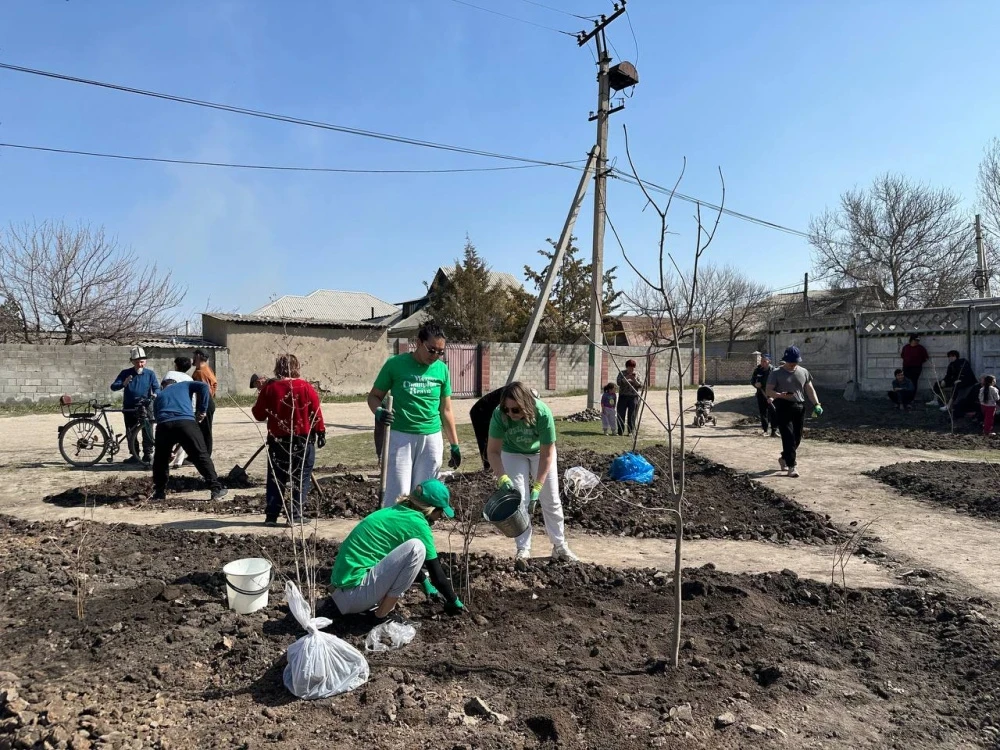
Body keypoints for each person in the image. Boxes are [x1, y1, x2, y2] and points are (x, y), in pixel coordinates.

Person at [329, 479, 463, 618]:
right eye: (441, 512)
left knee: (411, 549)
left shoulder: (397, 512)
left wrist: (424, 581)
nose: (440, 517)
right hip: (355, 596)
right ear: (431, 509)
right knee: (417, 548)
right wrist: (454, 601)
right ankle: (381, 616)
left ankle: (374, 608)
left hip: (341, 593)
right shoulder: (418, 524)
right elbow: (438, 577)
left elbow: (399, 559)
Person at [368, 321, 460, 508]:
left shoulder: (442, 370)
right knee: (398, 492)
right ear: (418, 343)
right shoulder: (395, 365)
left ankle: (418, 533)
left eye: (440, 352)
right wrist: (379, 411)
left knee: (426, 494)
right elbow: (374, 397)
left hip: (431, 438)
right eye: (431, 349)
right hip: (401, 436)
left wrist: (455, 445)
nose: (435, 356)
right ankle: (394, 533)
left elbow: (446, 410)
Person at [487, 381, 577, 563]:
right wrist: (502, 476)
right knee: (520, 499)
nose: (510, 414)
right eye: (507, 410)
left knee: (550, 499)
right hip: (512, 452)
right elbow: (493, 451)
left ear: (526, 405)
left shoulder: (542, 413)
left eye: (516, 410)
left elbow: (546, 454)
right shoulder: (499, 415)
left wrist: (538, 485)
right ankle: (523, 549)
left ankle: (559, 546)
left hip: (539, 454)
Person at [252, 354, 326, 526]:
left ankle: (271, 516)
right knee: (301, 477)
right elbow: (315, 412)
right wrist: (321, 431)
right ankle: (295, 514)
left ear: (277, 368)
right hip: (302, 440)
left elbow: (259, 414)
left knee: (276, 478)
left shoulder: (269, 389)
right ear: (296, 367)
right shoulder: (305, 387)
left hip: (278, 441)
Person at [151, 377, 227, 502]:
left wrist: (167, 449)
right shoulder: (184, 385)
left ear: (163, 386)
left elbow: (160, 420)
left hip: (164, 426)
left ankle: (159, 492)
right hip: (185, 422)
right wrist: (202, 410)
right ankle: (216, 489)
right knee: (200, 455)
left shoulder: (159, 396)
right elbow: (203, 386)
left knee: (160, 460)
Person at [765, 346, 823, 479]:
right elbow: (769, 391)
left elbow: (809, 389)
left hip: (799, 407)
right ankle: (792, 466)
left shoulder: (804, 372)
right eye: (790, 362)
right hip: (782, 406)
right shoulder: (776, 372)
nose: (793, 364)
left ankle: (784, 457)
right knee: (788, 436)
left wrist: (817, 404)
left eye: (795, 362)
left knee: (797, 437)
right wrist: (779, 394)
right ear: (785, 360)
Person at [110, 346, 160, 464]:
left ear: (145, 361)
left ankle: (148, 454)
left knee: (147, 429)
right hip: (129, 406)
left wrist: (155, 395)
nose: (140, 364)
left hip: (146, 406)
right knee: (130, 431)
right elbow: (113, 386)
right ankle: (134, 454)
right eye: (137, 362)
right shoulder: (125, 373)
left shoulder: (150, 374)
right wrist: (123, 383)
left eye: (142, 362)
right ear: (132, 362)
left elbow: (157, 388)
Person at [163, 359, 194, 469]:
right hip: (184, 410)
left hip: (169, 408)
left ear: (176, 365)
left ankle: (167, 457)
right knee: (182, 435)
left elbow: (164, 390)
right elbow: (192, 397)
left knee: (169, 435)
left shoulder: (169, 374)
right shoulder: (189, 379)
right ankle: (178, 461)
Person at [191, 349, 218, 456]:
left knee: (205, 430)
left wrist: (203, 409)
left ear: (198, 356)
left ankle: (205, 455)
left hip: (204, 403)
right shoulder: (206, 368)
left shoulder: (201, 372)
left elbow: (205, 391)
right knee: (201, 430)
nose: (192, 358)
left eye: (194, 355)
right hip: (206, 402)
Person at [750, 353, 777, 436]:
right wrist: (755, 384)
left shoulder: (774, 371)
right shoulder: (758, 370)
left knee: (773, 412)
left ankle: (774, 431)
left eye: (764, 361)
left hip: (772, 395)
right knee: (763, 413)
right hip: (761, 394)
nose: (762, 363)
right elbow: (752, 380)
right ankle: (765, 430)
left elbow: (778, 383)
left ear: (769, 361)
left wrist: (773, 396)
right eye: (762, 361)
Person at [616, 359, 642, 436]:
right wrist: (626, 378)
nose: (631, 369)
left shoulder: (637, 374)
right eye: (630, 367)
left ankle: (630, 431)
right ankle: (620, 431)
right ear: (627, 367)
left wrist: (634, 380)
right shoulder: (622, 373)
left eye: (633, 367)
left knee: (632, 415)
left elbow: (640, 385)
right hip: (623, 397)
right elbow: (618, 382)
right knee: (621, 414)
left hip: (633, 397)